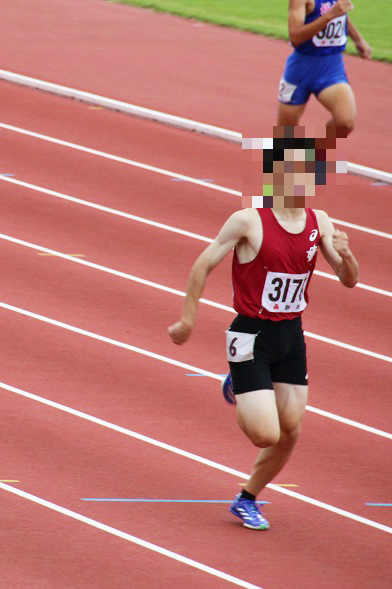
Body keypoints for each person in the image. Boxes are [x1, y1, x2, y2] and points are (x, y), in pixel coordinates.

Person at [168, 131, 359, 530]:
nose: (305, 181)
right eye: (296, 173)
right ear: (276, 177)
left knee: (291, 430)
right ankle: (239, 384)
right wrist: (188, 319)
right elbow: (202, 265)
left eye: (310, 173)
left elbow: (349, 279)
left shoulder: (319, 222)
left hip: (291, 336)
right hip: (250, 336)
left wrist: (346, 253)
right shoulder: (248, 221)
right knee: (265, 435)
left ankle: (247, 498)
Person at [277, 0, 372, 140]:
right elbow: (295, 36)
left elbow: (341, 13)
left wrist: (358, 39)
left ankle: (311, 153)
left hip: (331, 68)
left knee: (345, 123)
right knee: (286, 133)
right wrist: (330, 15)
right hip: (300, 70)